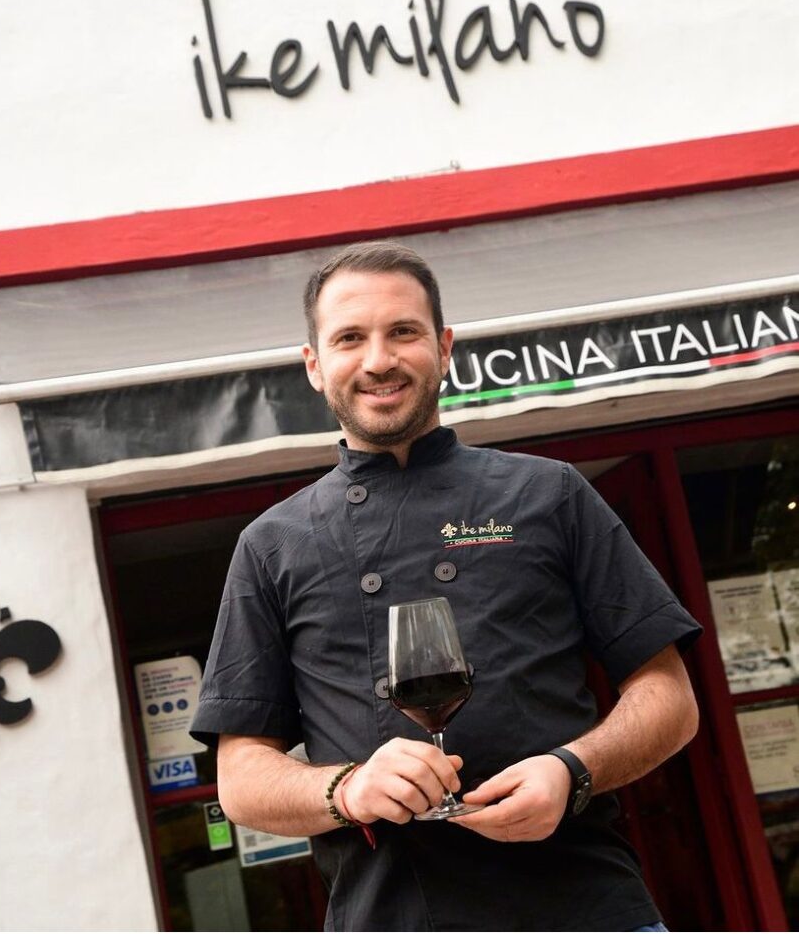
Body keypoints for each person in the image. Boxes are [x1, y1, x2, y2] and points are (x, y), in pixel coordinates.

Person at [191, 241, 702, 932]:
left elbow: (670, 699)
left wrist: (571, 770)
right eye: (349, 338)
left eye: (403, 331)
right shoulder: (273, 544)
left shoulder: (547, 493)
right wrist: (349, 787)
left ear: (445, 345)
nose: (378, 360)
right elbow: (243, 780)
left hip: (587, 905)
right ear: (314, 365)